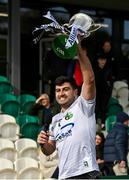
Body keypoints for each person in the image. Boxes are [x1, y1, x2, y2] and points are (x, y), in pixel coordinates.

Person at [37, 38, 100, 179]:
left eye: (65, 89)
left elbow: (89, 80)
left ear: (76, 92)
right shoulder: (55, 119)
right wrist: (42, 144)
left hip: (85, 173)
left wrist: (76, 47)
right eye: (58, 90)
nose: (61, 93)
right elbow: (50, 150)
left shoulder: (83, 106)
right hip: (65, 175)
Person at [104, 111, 129, 175]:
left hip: (108, 160)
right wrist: (122, 159)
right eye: (127, 120)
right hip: (116, 161)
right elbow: (119, 145)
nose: (128, 122)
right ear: (124, 121)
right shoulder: (122, 130)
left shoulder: (112, 130)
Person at [94, 53, 113, 129]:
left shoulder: (108, 70)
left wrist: (109, 92)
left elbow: (110, 83)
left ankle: (103, 125)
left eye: (104, 60)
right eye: (101, 59)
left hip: (105, 93)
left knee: (104, 109)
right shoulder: (95, 69)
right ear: (98, 60)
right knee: (95, 109)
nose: (102, 61)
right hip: (96, 93)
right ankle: (94, 125)